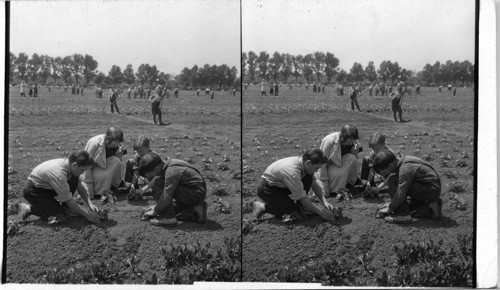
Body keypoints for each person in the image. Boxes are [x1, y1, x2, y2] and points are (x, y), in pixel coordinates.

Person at [17, 150, 101, 224]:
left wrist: (90, 204)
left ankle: (66, 209)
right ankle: (27, 209)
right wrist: (86, 215)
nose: (82, 173)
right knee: (60, 217)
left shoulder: (70, 166)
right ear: (75, 165)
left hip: (48, 187)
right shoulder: (59, 174)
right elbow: (68, 200)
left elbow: (80, 187)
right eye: (82, 170)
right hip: (34, 191)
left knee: (74, 179)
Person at [252, 148, 335, 222]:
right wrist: (321, 213)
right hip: (268, 189)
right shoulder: (293, 172)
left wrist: (324, 201)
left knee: (308, 178)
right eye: (316, 168)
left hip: (282, 185)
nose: (317, 171)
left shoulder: (304, 164)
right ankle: (262, 207)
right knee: (294, 214)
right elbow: (302, 198)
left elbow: (314, 183)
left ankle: (301, 206)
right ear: (308, 163)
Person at [373, 149, 443, 223]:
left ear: (391, 165)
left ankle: (404, 215)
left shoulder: (405, 168)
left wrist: (390, 208)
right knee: (403, 204)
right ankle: (432, 207)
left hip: (431, 191)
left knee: (393, 180)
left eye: (383, 171)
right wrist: (392, 204)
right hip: (428, 188)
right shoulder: (403, 160)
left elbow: (401, 193)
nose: (383, 174)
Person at [138, 152, 208, 226]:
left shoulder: (171, 171)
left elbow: (167, 195)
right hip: (193, 191)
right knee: (169, 208)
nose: (151, 177)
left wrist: (155, 211)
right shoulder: (168, 164)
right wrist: (157, 206)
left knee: (159, 183)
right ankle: (195, 210)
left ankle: (168, 218)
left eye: (151, 174)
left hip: (196, 194)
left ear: (156, 168)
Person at [319, 124, 363, 198]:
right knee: (341, 173)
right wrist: (325, 186)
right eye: (351, 139)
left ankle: (350, 184)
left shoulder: (352, 144)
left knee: (352, 158)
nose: (353, 142)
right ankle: (335, 189)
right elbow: (322, 165)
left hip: (337, 165)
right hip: (327, 169)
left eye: (354, 139)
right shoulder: (330, 141)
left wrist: (355, 153)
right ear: (343, 137)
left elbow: (354, 163)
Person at [82, 127, 127, 199]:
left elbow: (118, 166)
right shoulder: (94, 143)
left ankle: (113, 186)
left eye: (118, 143)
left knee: (117, 161)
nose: (116, 146)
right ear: (107, 139)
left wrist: (119, 156)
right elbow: (86, 167)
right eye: (114, 144)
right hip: (91, 169)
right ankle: (99, 192)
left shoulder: (116, 145)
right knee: (105, 176)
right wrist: (89, 186)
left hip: (103, 166)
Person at [360, 133, 398, 197]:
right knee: (367, 159)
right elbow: (372, 169)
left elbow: (392, 174)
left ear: (383, 144)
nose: (375, 151)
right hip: (381, 172)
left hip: (391, 174)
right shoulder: (374, 153)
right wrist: (368, 182)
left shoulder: (390, 154)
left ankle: (385, 185)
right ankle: (367, 184)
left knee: (393, 181)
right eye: (373, 149)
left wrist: (379, 187)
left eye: (376, 149)